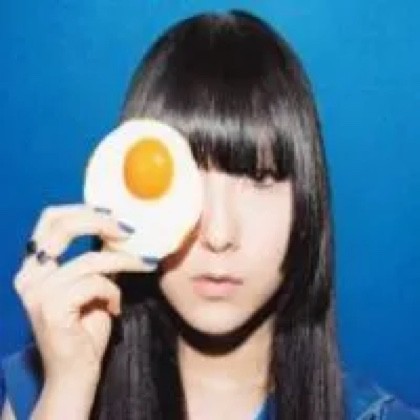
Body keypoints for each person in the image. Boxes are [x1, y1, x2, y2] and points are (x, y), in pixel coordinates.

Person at [1, 9, 419, 420]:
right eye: (189, 182)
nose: (219, 235)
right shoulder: (46, 392)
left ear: (307, 203)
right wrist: (68, 389)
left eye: (261, 178)